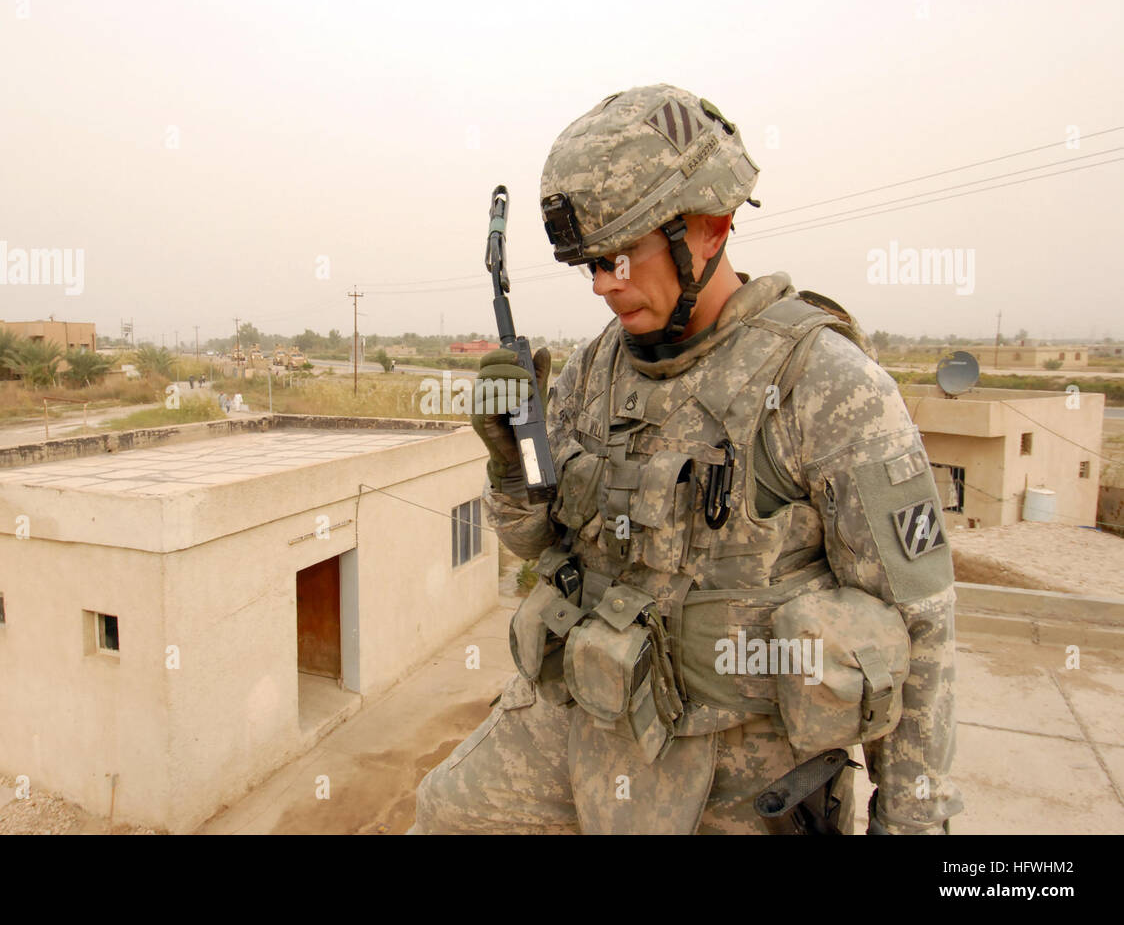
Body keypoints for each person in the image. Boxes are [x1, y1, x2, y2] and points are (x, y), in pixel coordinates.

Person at [411, 84, 962, 834]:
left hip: (740, 768)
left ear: (710, 228)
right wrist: (517, 472)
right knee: (442, 814)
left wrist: (912, 821)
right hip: (591, 713)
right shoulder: (592, 370)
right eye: (589, 265)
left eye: (622, 256)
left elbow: (920, 625)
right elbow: (544, 547)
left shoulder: (827, 386)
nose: (606, 285)